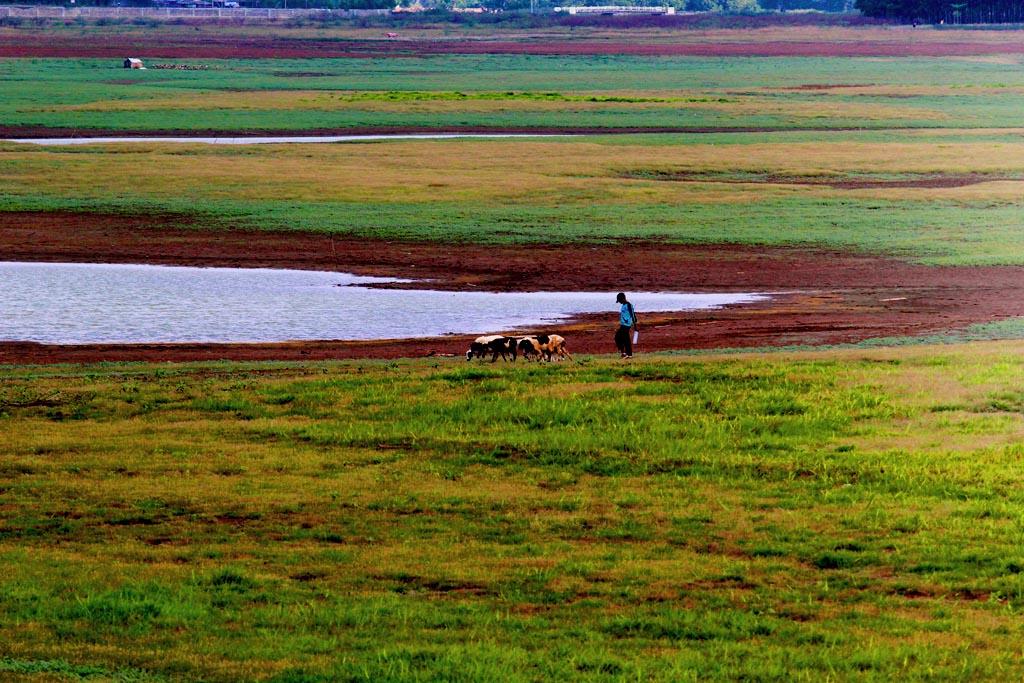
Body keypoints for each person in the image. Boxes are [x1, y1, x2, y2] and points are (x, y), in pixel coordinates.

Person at [614, 292, 637, 359]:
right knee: (625, 339)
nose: (619, 302)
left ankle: (626, 354)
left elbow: (633, 315)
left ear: (623, 298)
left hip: (626, 325)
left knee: (618, 337)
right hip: (623, 324)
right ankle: (627, 354)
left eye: (620, 300)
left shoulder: (629, 305)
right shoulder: (623, 305)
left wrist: (635, 325)